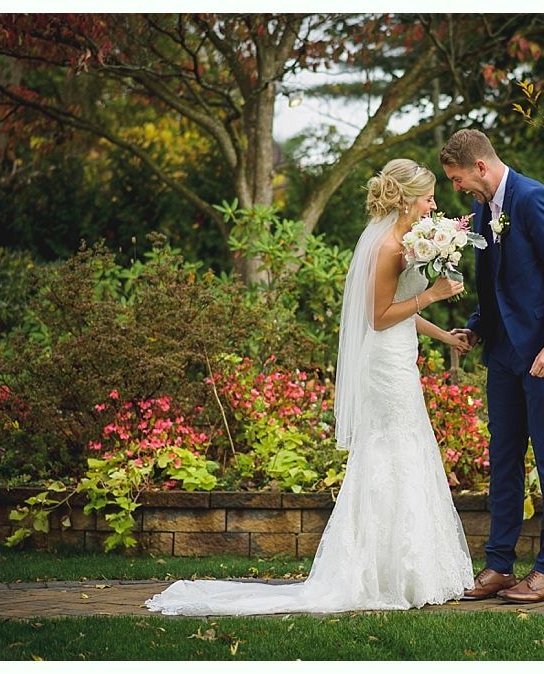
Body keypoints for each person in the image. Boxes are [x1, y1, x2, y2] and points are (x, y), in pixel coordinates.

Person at [145, 158, 474, 616]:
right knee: (390, 455)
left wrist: (445, 335)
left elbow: (402, 309)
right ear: (405, 199)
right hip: (385, 367)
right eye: (429, 197)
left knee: (406, 451)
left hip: (401, 358)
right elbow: (378, 319)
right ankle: (381, 574)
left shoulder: (406, 242)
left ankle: (408, 571)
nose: (434, 205)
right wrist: (434, 293)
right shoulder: (384, 247)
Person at [441, 129, 544, 604]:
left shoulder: (532, 199)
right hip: (505, 354)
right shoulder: (486, 207)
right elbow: (495, 283)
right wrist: (476, 327)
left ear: (480, 167)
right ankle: (499, 566)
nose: (456, 188)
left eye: (457, 178)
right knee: (503, 459)